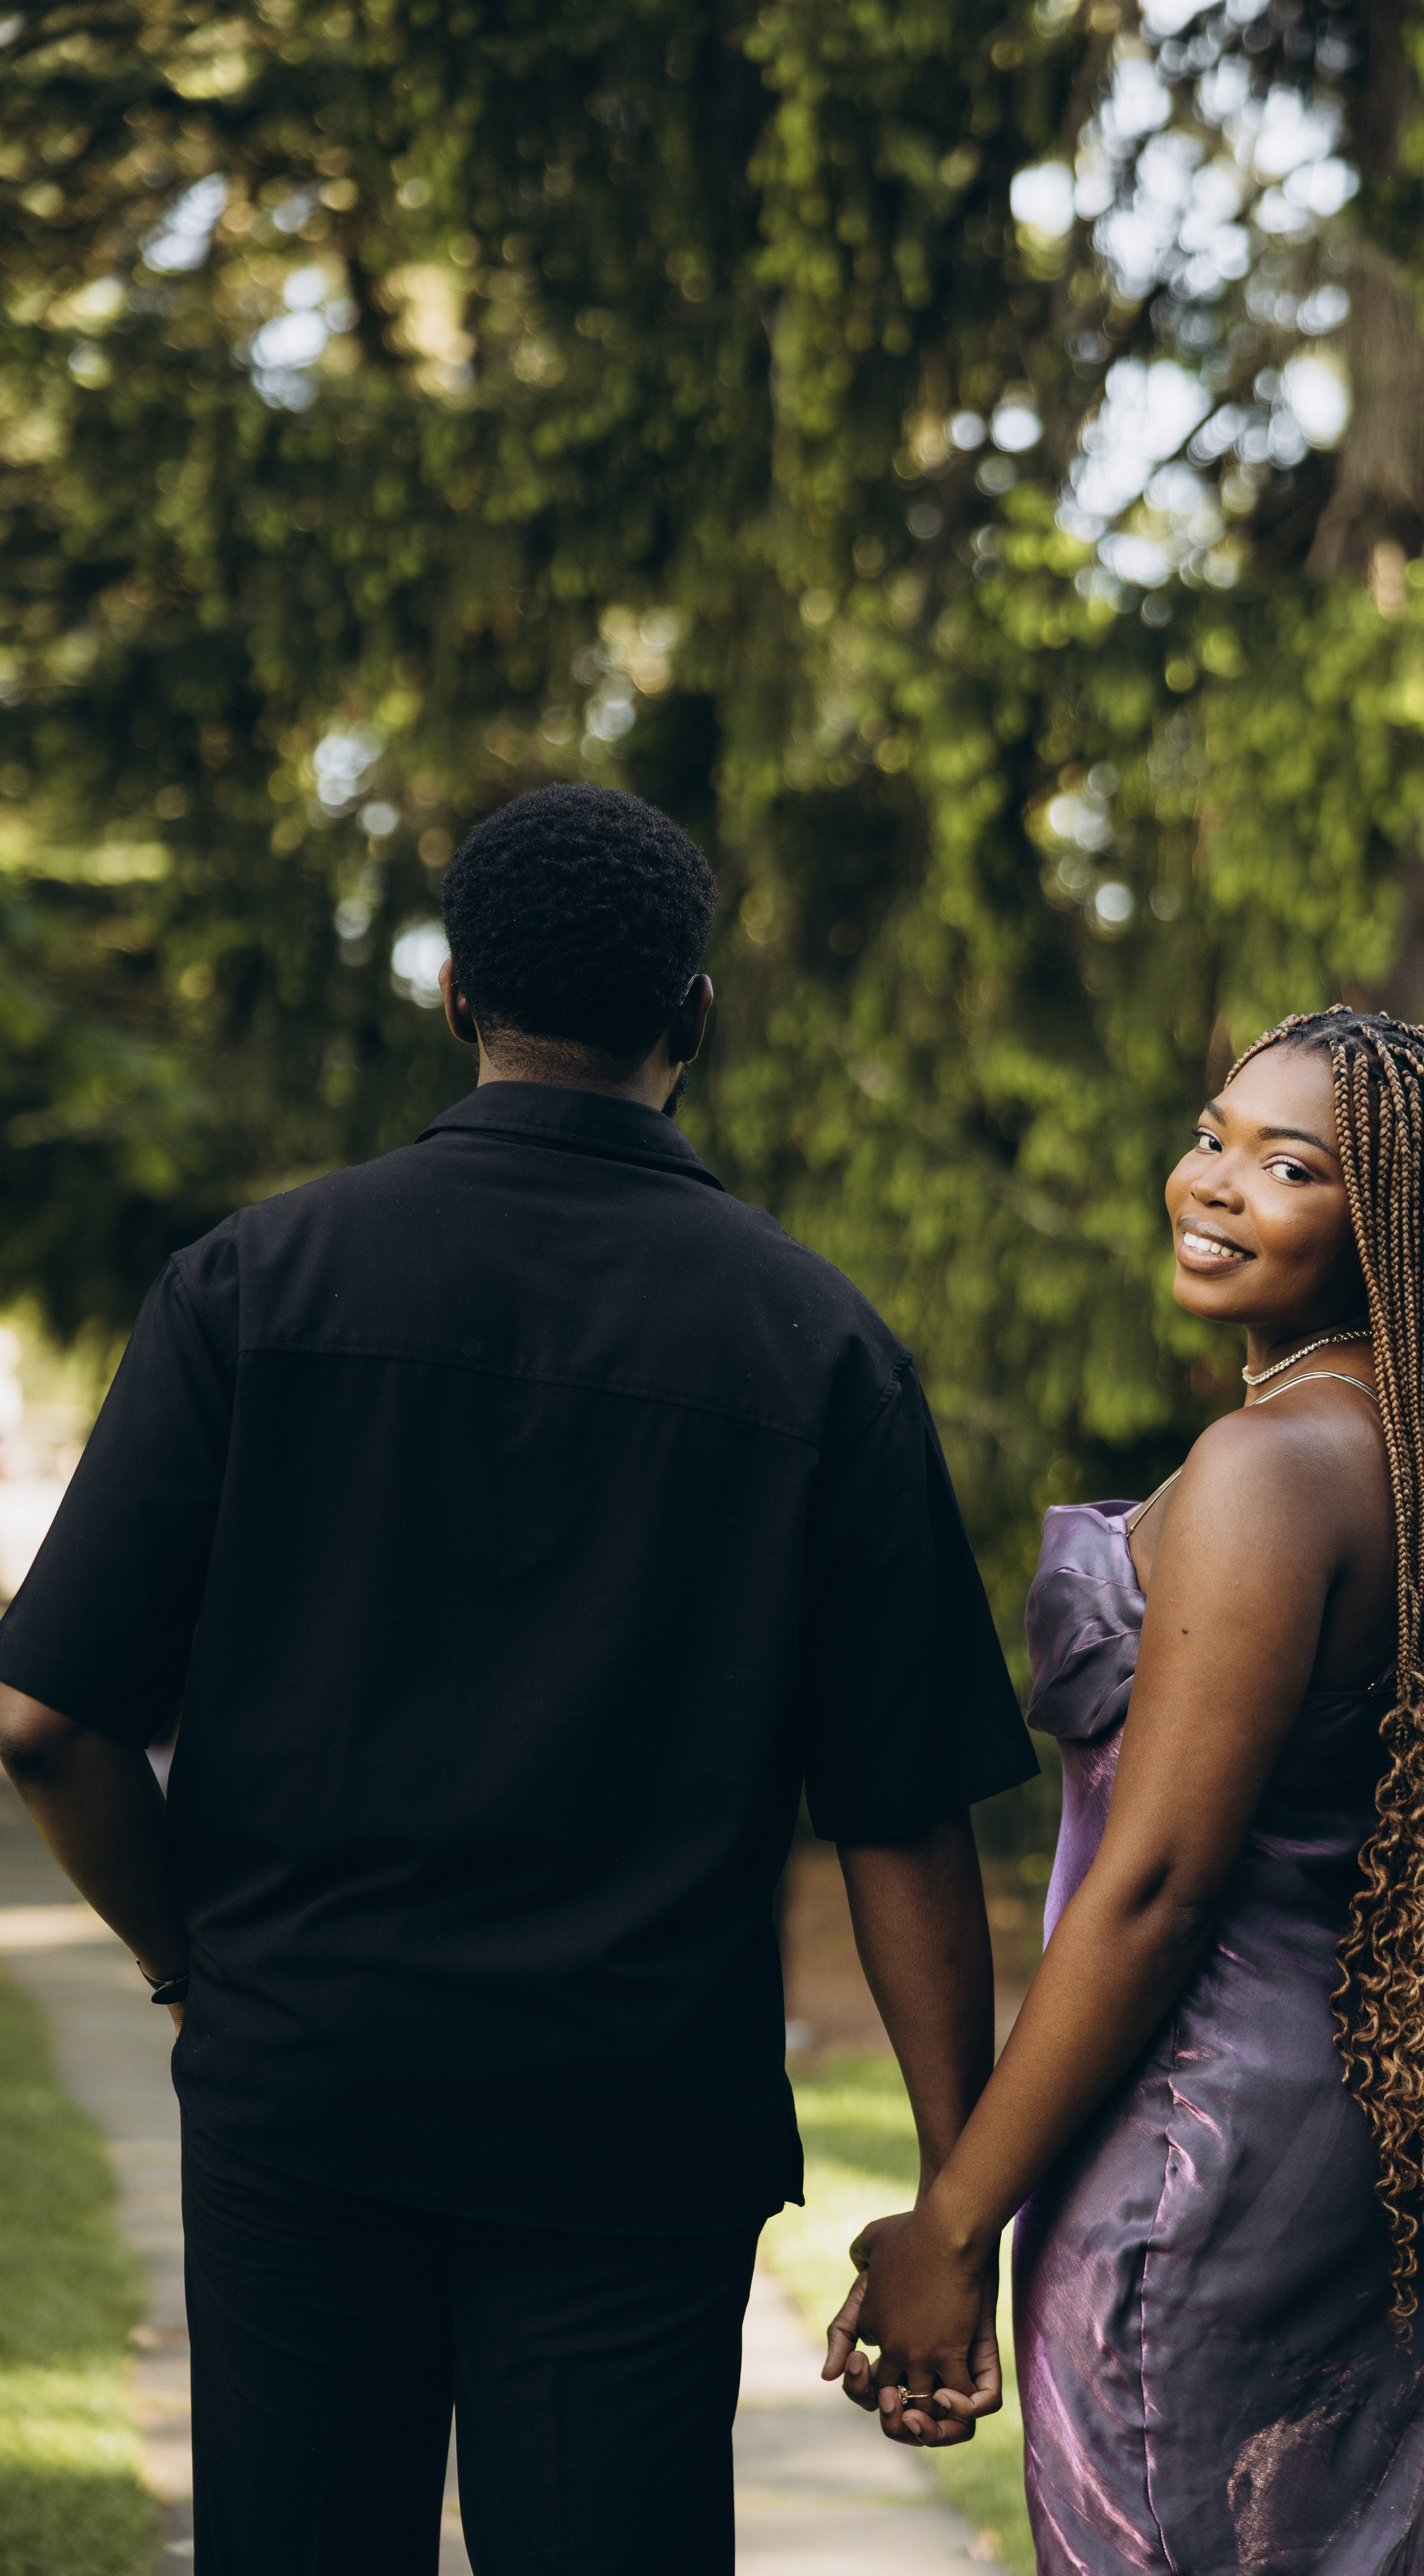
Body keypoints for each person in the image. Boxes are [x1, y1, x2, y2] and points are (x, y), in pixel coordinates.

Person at [0, 782, 1038, 2576]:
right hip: (633, 2133)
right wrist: (959, 2210)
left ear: (458, 992)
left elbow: (41, 1723)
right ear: (694, 1017)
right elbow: (900, 1823)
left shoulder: (249, 1286)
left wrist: (196, 1970)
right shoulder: (817, 1349)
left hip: (304, 2092)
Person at [828, 1008, 1424, 2575]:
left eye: (1289, 1166)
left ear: (1391, 1220)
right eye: (1210, 1138)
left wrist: (950, 2220)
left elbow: (1153, 1883)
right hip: (1358, 2145)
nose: (1214, 1184)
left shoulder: (1274, 1467)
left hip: (1190, 2158)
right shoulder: (1417, 1455)